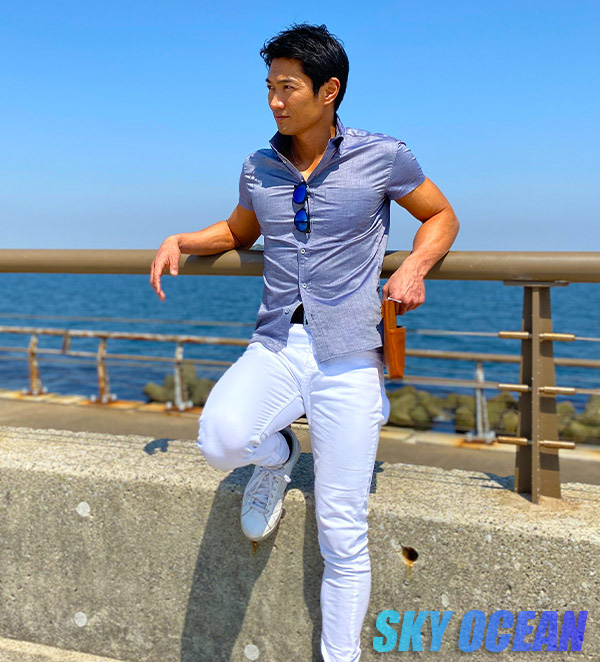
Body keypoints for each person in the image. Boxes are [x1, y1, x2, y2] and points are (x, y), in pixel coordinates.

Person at [150, 22, 459, 662]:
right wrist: (181, 240)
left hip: (350, 350)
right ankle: (279, 454)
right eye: (269, 87)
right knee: (220, 441)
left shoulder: (384, 155)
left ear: (329, 90)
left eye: (287, 87)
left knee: (341, 529)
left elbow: (441, 215)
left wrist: (414, 265)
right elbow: (239, 232)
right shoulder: (258, 166)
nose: (274, 101)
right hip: (277, 342)